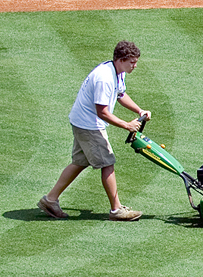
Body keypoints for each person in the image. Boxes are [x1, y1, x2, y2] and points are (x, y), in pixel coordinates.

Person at [40, 41, 151, 222]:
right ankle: (116, 210)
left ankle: (50, 200)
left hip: (81, 120)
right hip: (89, 125)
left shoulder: (117, 72)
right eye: (132, 62)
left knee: (80, 162)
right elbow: (103, 112)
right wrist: (127, 125)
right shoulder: (104, 78)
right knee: (107, 163)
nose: (135, 66)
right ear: (121, 60)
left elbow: (121, 95)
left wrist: (139, 111)